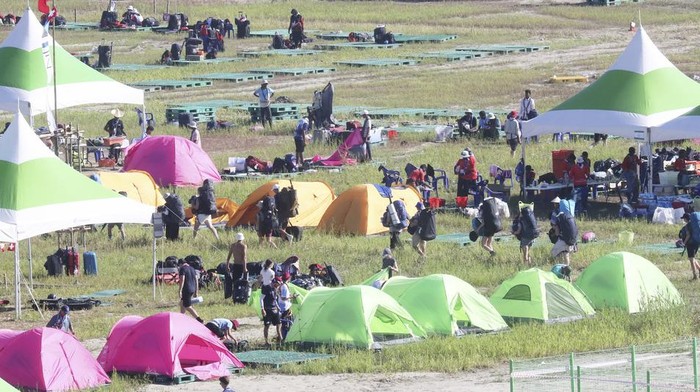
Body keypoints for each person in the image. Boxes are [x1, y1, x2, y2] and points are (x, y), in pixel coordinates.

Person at [178, 258, 203, 323]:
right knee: (182, 303)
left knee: (187, 306)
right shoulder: (192, 268)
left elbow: (182, 279)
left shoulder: (182, 269)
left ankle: (199, 319)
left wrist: (180, 290)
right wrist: (196, 291)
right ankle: (181, 318)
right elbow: (196, 280)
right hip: (192, 288)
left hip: (186, 289)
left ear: (181, 264)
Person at [225, 232, 247, 299]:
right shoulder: (243, 246)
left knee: (235, 281)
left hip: (235, 265)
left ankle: (234, 295)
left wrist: (227, 265)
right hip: (241, 265)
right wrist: (245, 268)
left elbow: (228, 257)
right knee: (241, 281)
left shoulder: (233, 245)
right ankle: (240, 294)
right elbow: (244, 257)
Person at [260, 276, 282, 346]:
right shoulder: (266, 288)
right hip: (267, 309)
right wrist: (262, 309)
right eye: (278, 284)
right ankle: (266, 342)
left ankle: (280, 339)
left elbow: (275, 299)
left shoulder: (275, 289)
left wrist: (278, 307)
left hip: (274, 309)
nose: (278, 285)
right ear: (274, 282)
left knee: (279, 324)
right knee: (267, 326)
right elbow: (261, 299)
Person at [278, 272, 296, 342]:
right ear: (288, 278)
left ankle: (283, 337)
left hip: (281, 306)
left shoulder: (282, 285)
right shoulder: (284, 287)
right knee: (286, 323)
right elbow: (283, 298)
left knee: (284, 323)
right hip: (285, 307)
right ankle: (285, 338)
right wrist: (292, 297)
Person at [681, 213, 700, 280]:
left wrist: (684, 243)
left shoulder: (687, 226)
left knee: (691, 260)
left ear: (686, 219)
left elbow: (688, 235)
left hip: (691, 244)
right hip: (697, 242)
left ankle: (695, 276)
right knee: (693, 258)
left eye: (684, 218)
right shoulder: (696, 224)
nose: (683, 219)